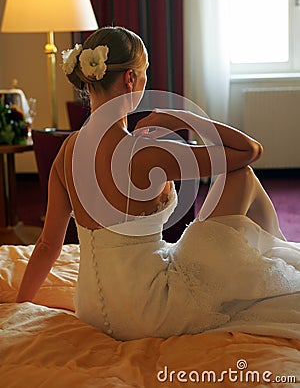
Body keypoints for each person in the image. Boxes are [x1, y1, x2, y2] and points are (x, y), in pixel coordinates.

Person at [17, 26, 300, 340]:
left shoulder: (66, 152)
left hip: (90, 309)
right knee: (242, 175)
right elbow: (249, 151)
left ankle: (279, 255)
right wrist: (180, 118)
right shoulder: (146, 152)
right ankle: (280, 253)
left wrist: (20, 305)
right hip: (150, 312)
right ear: (130, 78)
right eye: (145, 72)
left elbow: (46, 245)